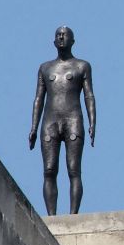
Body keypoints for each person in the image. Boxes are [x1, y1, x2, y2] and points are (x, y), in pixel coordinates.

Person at [29, 26, 96, 215]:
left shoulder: (82, 66)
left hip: (73, 119)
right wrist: (33, 127)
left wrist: (92, 122)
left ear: (72, 41)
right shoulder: (45, 68)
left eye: (64, 35)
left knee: (73, 169)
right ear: (53, 41)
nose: (61, 38)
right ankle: (51, 216)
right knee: (49, 170)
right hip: (50, 121)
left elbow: (89, 96)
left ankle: (73, 215)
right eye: (58, 35)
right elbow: (38, 99)